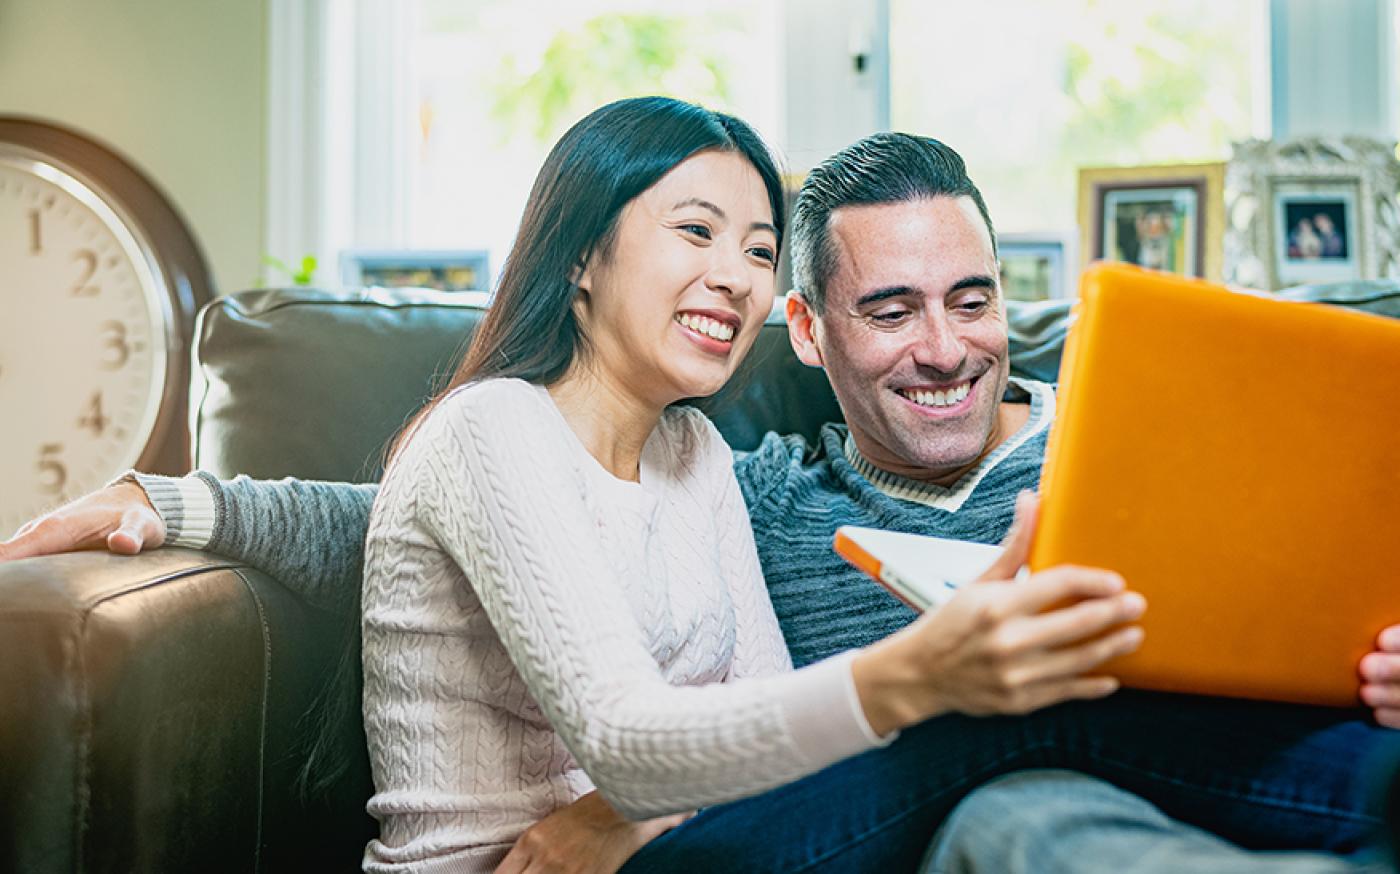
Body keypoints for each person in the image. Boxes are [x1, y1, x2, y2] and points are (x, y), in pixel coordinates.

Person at [5, 124, 1400, 874]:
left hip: (834, 828)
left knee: (1012, 762)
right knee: (994, 743)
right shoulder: (653, 461)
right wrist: (187, 505)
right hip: (634, 852)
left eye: (974, 300)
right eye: (697, 233)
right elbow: (405, 528)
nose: (728, 271)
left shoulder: (699, 465)